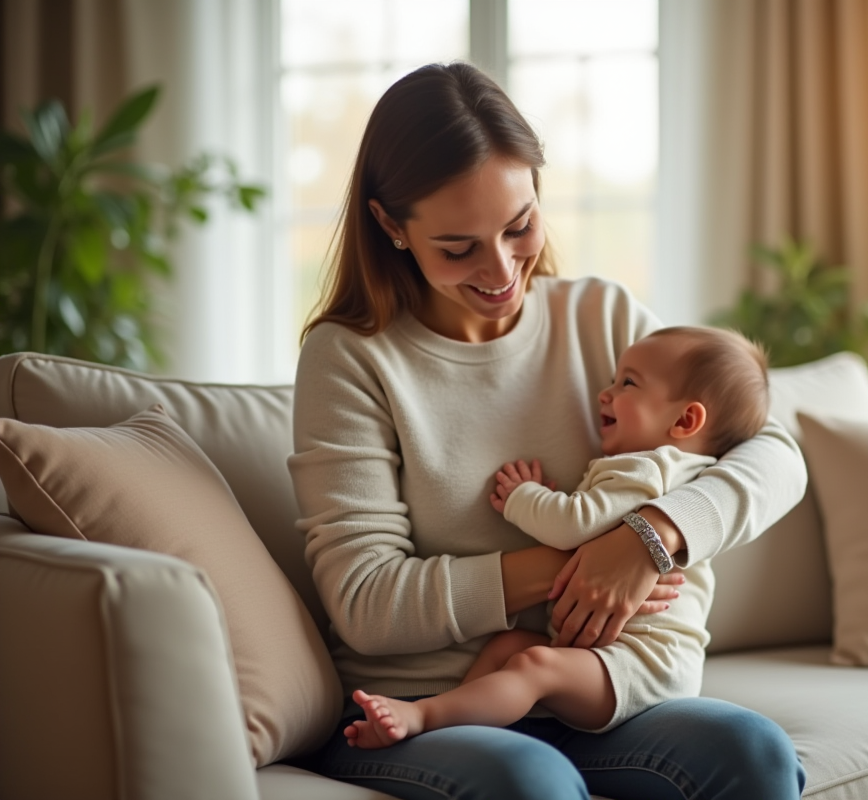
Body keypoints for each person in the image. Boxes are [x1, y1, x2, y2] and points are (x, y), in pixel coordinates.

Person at [288, 61, 808, 800]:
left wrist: (649, 537)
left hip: (591, 689)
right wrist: (584, 562)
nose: (501, 269)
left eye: (519, 225)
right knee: (530, 780)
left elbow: (776, 453)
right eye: (458, 247)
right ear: (390, 225)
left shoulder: (600, 317)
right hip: (424, 712)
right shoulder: (351, 358)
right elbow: (368, 603)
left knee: (752, 751)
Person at [345, 326, 770, 746]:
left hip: (637, 663)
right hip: (644, 661)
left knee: (533, 664)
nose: (604, 393)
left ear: (685, 419)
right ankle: (459, 727)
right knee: (509, 647)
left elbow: (574, 527)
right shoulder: (689, 471)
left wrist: (522, 496)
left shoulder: (643, 467)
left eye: (627, 383)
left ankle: (425, 716)